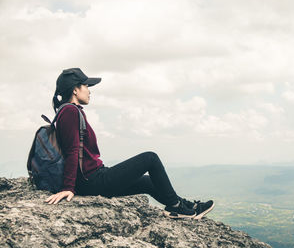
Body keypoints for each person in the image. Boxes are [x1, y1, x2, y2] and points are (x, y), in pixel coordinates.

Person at [44, 68, 214, 219]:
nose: (89, 91)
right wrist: (68, 187)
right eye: (86, 86)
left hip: (94, 176)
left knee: (148, 181)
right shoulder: (70, 112)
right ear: (75, 89)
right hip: (92, 181)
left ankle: (185, 206)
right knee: (150, 158)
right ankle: (177, 208)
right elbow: (72, 151)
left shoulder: (69, 111)